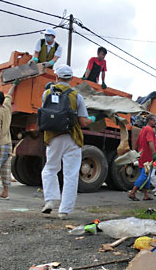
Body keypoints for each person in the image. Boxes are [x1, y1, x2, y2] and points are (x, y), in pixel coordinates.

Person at [40, 65, 98, 219]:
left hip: (53, 137)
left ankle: (50, 201)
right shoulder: (76, 96)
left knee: (50, 169)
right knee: (70, 174)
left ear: (56, 77)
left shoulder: (46, 93)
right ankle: (64, 211)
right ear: (71, 79)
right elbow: (83, 121)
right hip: (72, 137)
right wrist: (93, 119)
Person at [128, 115, 156, 201]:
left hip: (142, 155)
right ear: (150, 121)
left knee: (146, 175)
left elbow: (137, 142)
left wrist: (136, 152)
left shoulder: (143, 129)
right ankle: (132, 192)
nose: (155, 122)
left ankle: (145, 195)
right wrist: (154, 154)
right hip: (148, 156)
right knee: (145, 175)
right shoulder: (149, 130)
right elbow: (150, 142)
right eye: (154, 120)